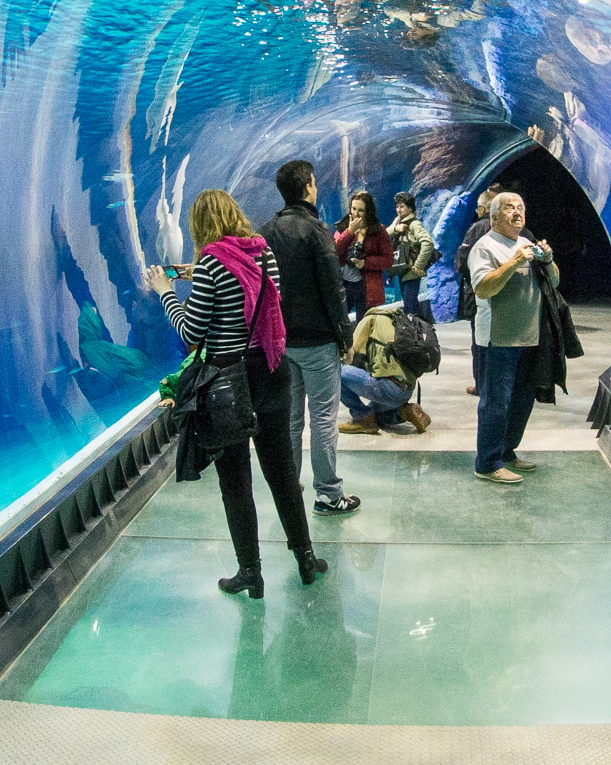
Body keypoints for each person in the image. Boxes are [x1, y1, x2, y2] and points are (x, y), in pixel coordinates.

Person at [148, 189, 328, 597]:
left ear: (200, 225)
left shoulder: (212, 261)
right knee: (282, 472)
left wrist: (165, 291)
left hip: (229, 380)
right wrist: (200, 274)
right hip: (270, 368)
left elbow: (191, 334)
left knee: (235, 480)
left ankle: (251, 572)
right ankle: (305, 558)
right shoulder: (261, 252)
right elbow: (254, 297)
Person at [260, 160, 361, 517]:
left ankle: (288, 486)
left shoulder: (266, 232)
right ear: (307, 188)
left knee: (290, 418)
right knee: (322, 417)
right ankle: (328, 494)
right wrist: (344, 336)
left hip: (282, 341)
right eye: (314, 183)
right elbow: (333, 289)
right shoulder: (316, 230)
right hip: (317, 340)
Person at [467, 191, 559, 485]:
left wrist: (548, 260)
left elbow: (554, 281)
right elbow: (483, 288)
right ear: (494, 216)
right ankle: (487, 462)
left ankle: (507, 452)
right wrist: (514, 262)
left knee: (521, 401)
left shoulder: (527, 243)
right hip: (498, 340)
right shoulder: (484, 247)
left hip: (529, 338)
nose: (517, 213)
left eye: (521, 207)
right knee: (495, 402)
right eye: (509, 208)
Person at [337, 303, 432, 435]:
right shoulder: (396, 321)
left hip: (388, 388)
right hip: (406, 389)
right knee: (375, 416)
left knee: (336, 373)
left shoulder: (369, 320)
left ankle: (360, 417)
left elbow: (352, 354)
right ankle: (403, 412)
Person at [453, 184, 501, 396]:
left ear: (483, 209)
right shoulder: (516, 232)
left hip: (479, 294)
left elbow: (461, 263)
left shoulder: (477, 229)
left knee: (480, 341)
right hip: (506, 299)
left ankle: (482, 384)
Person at [333, 191, 394, 321]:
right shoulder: (343, 227)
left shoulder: (379, 231)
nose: (355, 213)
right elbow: (334, 252)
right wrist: (349, 232)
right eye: (353, 209)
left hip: (366, 286)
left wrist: (365, 263)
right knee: (338, 320)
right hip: (344, 284)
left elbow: (388, 260)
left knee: (364, 324)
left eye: (361, 210)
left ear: (368, 211)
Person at [389, 191, 438, 317]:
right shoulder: (398, 221)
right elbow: (385, 234)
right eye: (397, 206)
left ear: (410, 207)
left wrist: (419, 265)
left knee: (411, 307)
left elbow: (427, 243)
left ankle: (418, 333)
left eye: (402, 206)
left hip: (410, 272)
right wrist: (396, 229)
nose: (399, 210)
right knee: (409, 305)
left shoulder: (414, 224)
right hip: (402, 270)